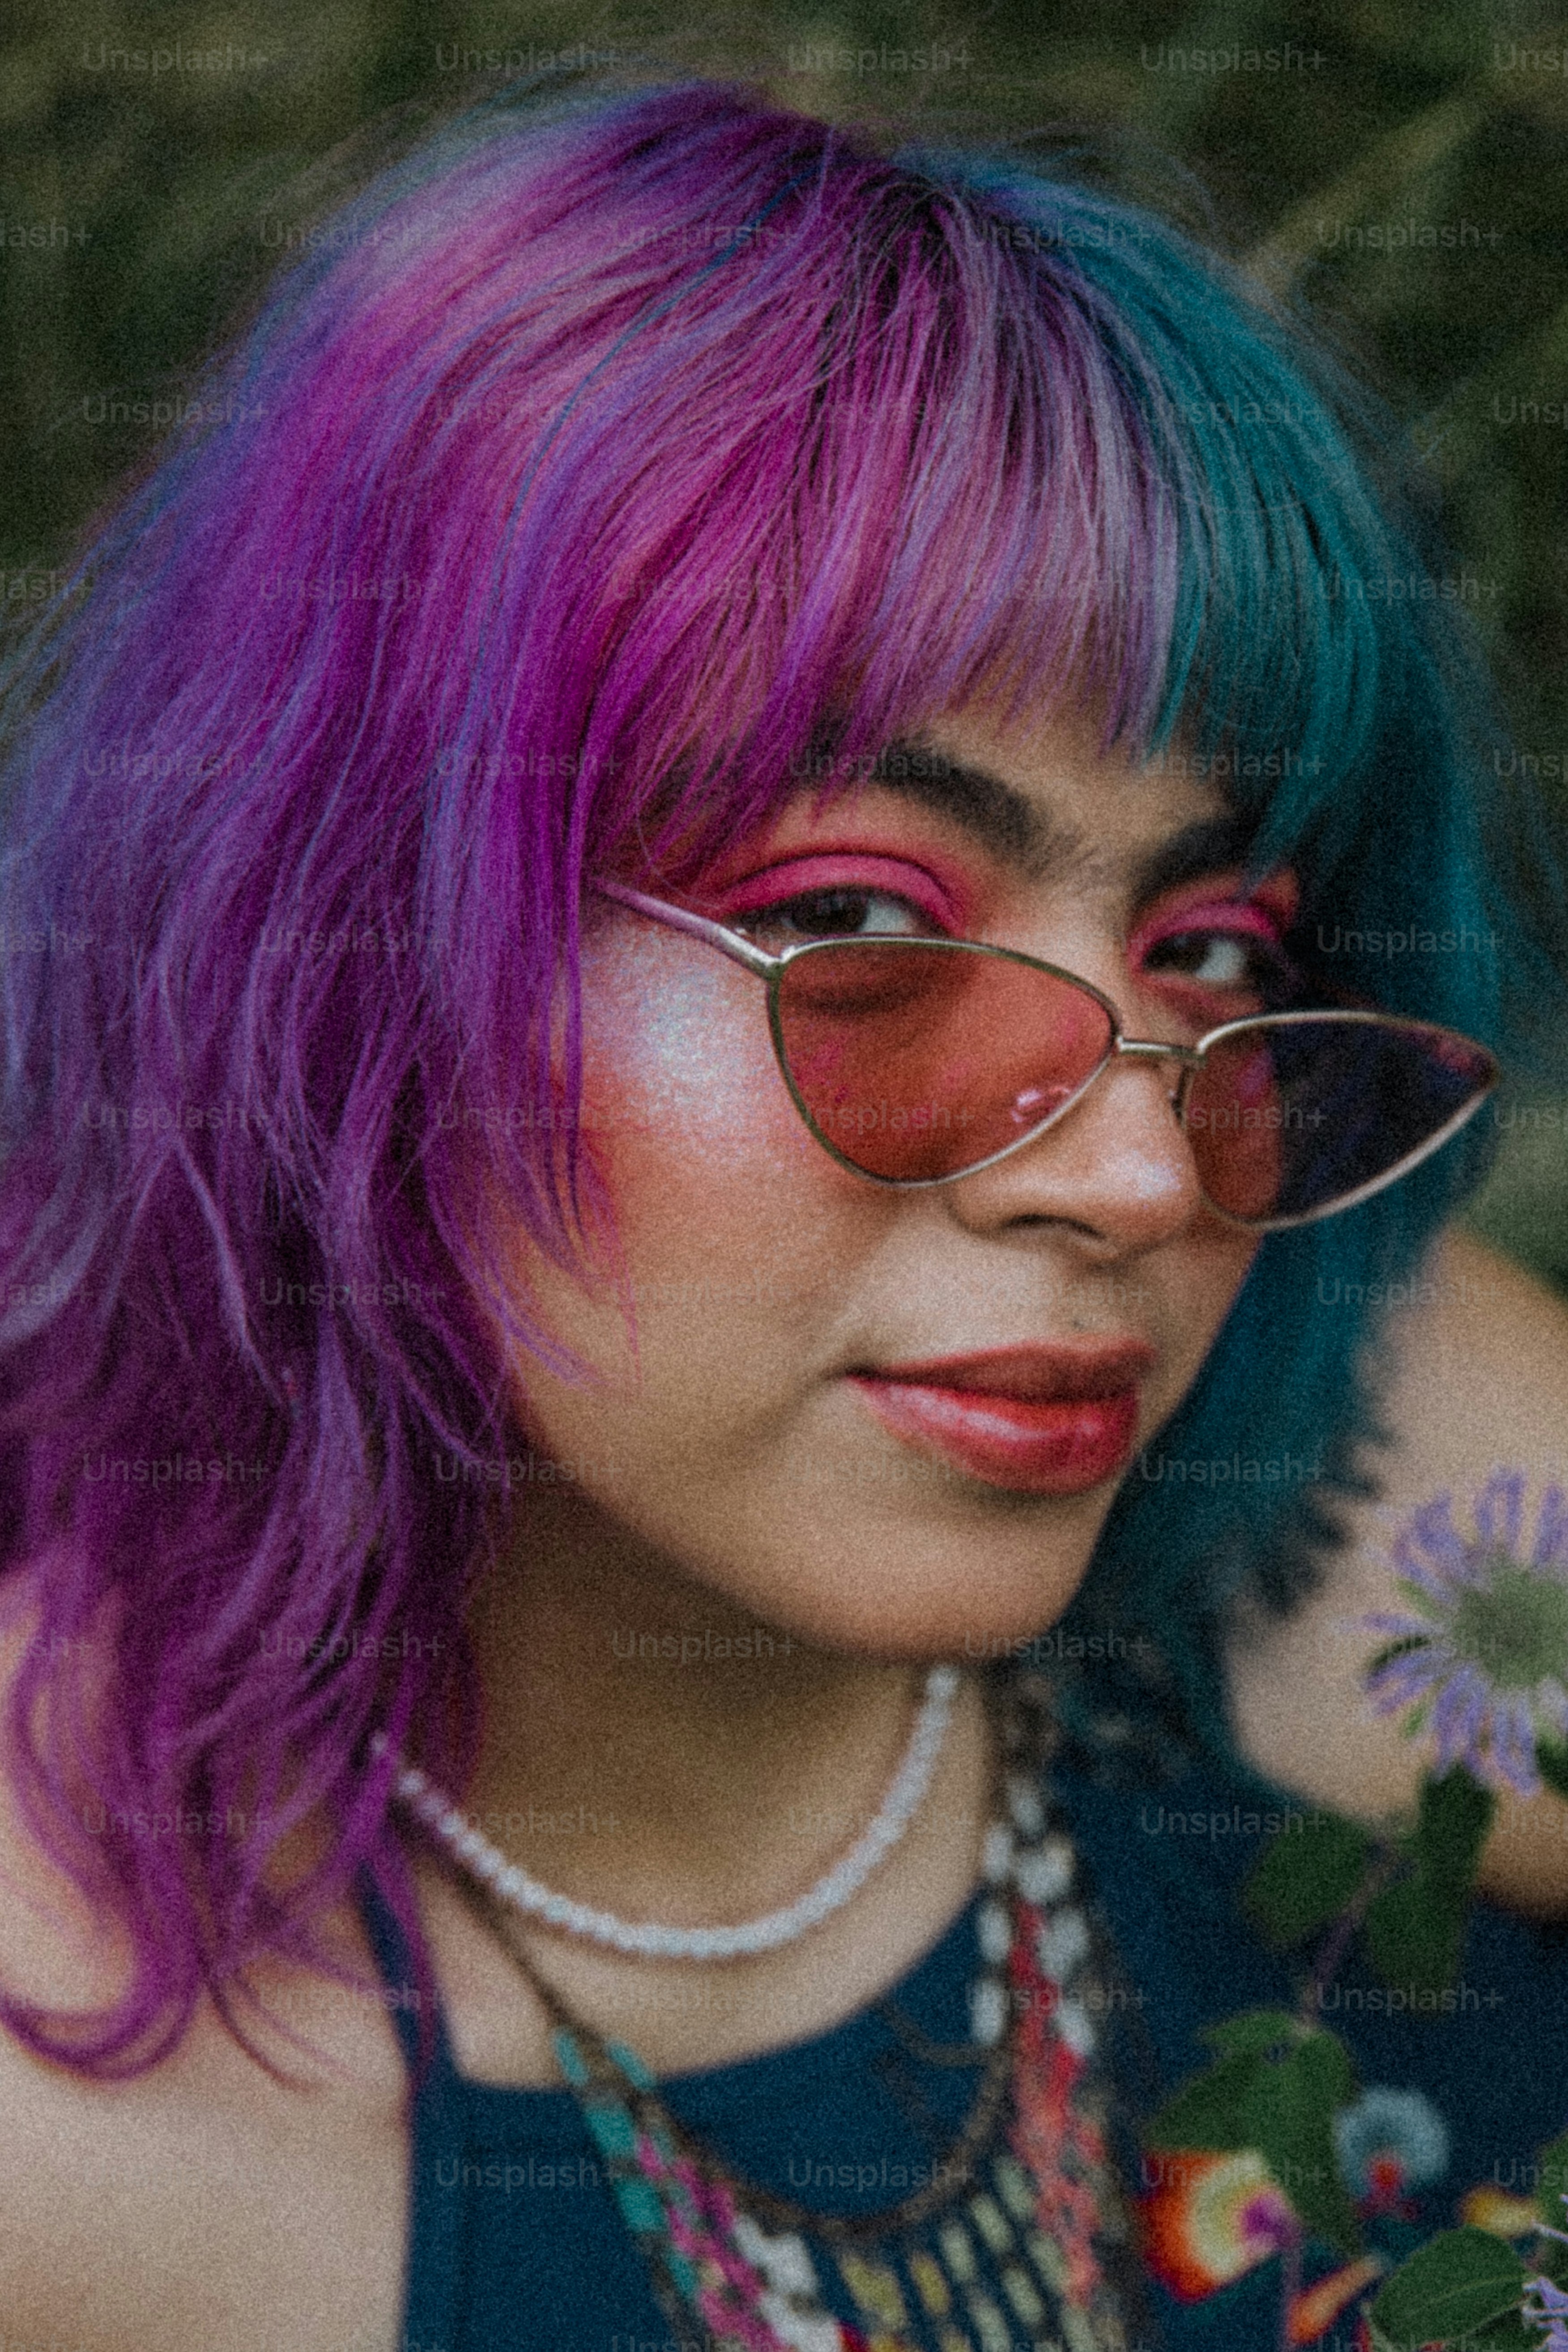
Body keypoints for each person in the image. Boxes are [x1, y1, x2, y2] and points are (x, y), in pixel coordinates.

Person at [0, 77, 1564, 2352]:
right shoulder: (77, 2168)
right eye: (862, 922)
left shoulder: (1365, 1491)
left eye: (1219, 950)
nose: (1139, 1171)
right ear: (337, 953)